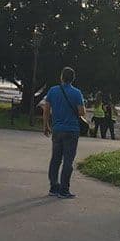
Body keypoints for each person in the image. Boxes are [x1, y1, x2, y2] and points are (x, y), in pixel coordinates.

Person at [41, 66, 85, 199]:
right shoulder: (77, 93)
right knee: (68, 160)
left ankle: (54, 186)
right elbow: (81, 112)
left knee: (55, 159)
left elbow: (46, 110)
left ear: (61, 77)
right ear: (73, 79)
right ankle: (64, 189)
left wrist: (46, 125)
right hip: (72, 130)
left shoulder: (53, 91)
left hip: (57, 129)